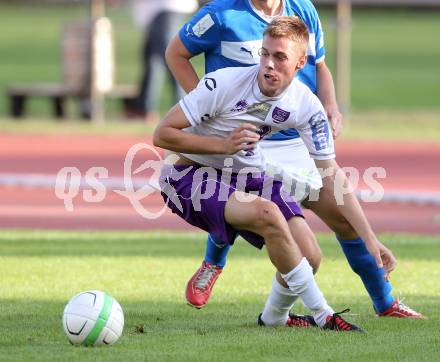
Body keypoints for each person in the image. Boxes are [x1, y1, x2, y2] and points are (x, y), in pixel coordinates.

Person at [165, 0, 423, 319]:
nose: (269, 63)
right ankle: (214, 262)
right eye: (266, 55)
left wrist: (330, 105)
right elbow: (175, 53)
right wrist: (212, 113)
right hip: (242, 140)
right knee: (242, 204)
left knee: (340, 215)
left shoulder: (304, 11)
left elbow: (320, 65)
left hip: (294, 141)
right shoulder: (221, 14)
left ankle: (384, 302)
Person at [154, 16, 366, 331]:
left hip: (241, 173)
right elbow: (161, 134)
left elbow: (332, 174)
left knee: (309, 256)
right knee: (267, 215)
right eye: (265, 53)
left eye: (279, 57)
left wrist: (372, 241)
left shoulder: (306, 105)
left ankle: (274, 318)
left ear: (300, 62)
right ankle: (324, 315)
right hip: (186, 174)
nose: (268, 64)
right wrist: (222, 144)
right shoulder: (224, 81)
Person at [124, 0, 198, 122]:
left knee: (171, 59)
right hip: (160, 10)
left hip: (166, 8)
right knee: (153, 58)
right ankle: (143, 107)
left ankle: (187, 108)